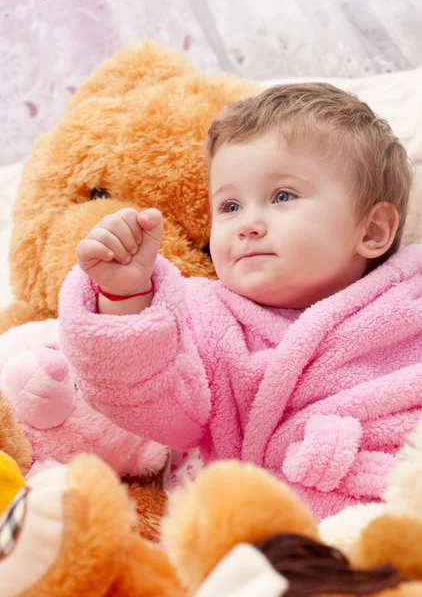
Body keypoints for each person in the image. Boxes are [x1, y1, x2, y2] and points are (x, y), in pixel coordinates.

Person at [59, 83, 422, 519]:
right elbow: (150, 402)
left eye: (282, 196)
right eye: (229, 206)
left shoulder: (409, 302)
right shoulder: (207, 319)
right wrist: (126, 296)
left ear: (373, 231)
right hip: (272, 540)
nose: (247, 224)